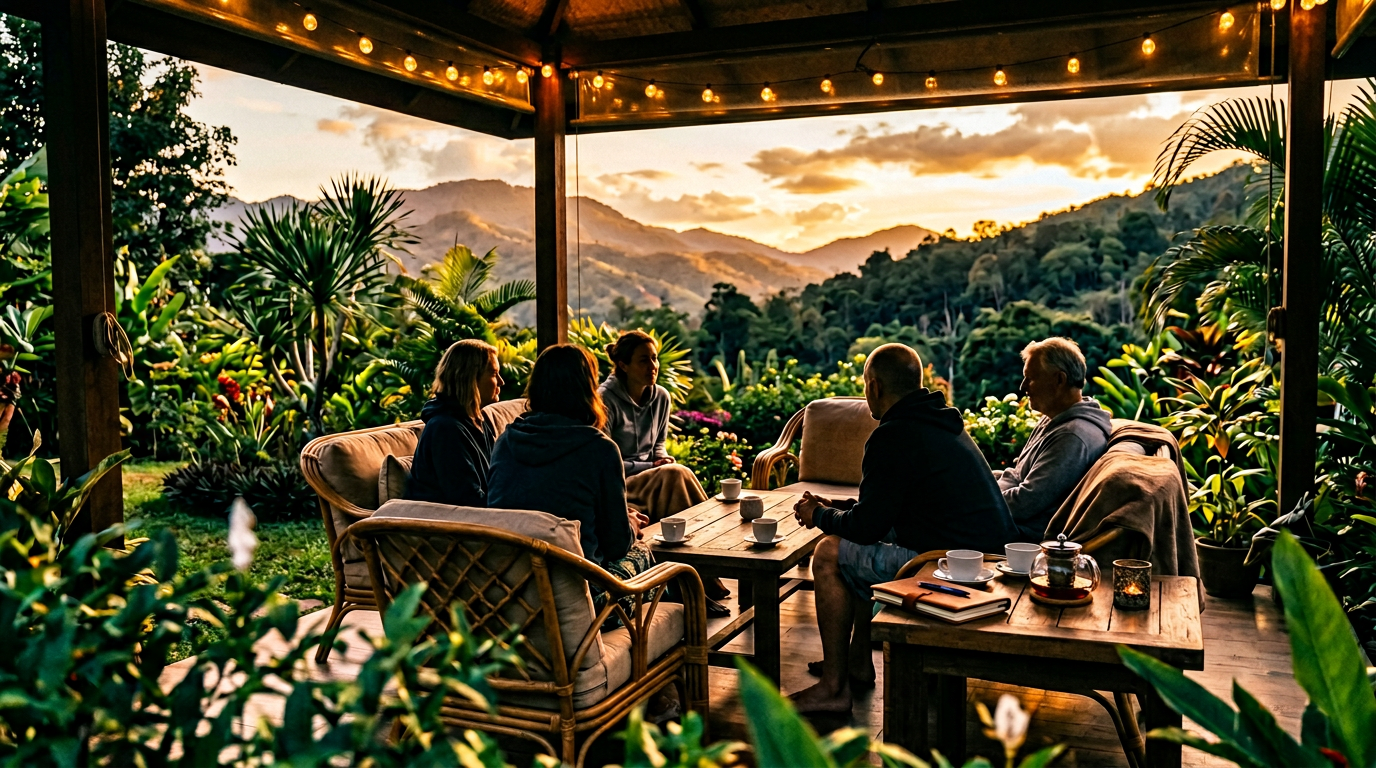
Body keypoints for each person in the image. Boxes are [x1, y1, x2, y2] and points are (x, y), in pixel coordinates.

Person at [788, 343, 1018, 714]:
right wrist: (835, 508)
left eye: (865, 385)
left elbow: (866, 527)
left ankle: (833, 688)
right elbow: (884, 508)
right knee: (850, 541)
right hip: (980, 556)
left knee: (829, 552)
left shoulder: (893, 434)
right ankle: (858, 663)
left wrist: (819, 517)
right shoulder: (937, 420)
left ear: (875, 386)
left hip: (951, 568)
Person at [487, 344, 651, 576]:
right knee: (646, 553)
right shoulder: (599, 449)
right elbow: (616, 545)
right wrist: (631, 525)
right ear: (587, 389)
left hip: (511, 589)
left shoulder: (506, 441)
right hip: (583, 591)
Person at [998, 337, 1112, 540]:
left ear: (1059, 380)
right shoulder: (1054, 419)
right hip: (1010, 521)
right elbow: (1017, 474)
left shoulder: (1072, 436)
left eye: (1030, 378)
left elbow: (1026, 503)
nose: (1023, 387)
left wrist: (976, 501)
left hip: (1020, 537)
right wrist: (978, 483)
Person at [599, 330, 709, 523]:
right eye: (643, 360)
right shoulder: (604, 400)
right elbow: (605, 464)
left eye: (654, 358)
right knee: (675, 473)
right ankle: (706, 527)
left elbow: (659, 444)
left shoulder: (661, 397)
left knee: (674, 471)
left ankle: (701, 530)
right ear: (624, 366)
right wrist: (650, 466)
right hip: (619, 482)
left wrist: (662, 459)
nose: (653, 366)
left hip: (650, 476)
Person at [405, 339, 504, 507]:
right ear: (470, 378)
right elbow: (467, 498)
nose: (501, 382)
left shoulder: (478, 421)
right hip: (442, 526)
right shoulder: (445, 429)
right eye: (494, 374)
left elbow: (495, 480)